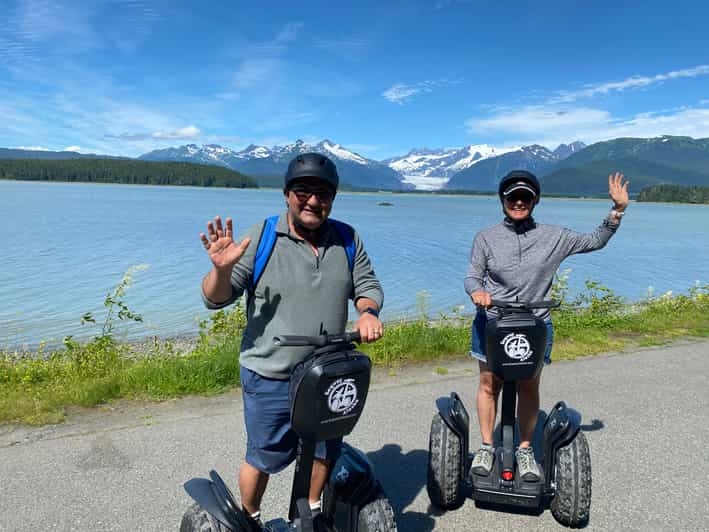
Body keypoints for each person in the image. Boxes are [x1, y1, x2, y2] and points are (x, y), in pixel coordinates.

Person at [199, 152, 384, 526]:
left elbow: (367, 284)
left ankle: (312, 510)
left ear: (332, 198)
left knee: (325, 446)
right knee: (263, 453)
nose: (313, 200)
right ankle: (251, 517)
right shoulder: (262, 236)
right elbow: (215, 298)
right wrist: (221, 270)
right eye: (303, 191)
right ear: (287, 194)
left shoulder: (347, 238)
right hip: (270, 372)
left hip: (328, 371)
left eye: (323, 193)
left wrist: (367, 311)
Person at [464, 169, 629, 480]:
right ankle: (487, 446)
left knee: (529, 386)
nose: (518, 202)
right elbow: (472, 275)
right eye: (512, 196)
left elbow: (595, 240)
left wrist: (617, 211)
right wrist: (477, 291)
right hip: (493, 323)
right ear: (503, 200)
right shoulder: (485, 237)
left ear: (535, 200)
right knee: (489, 385)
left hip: (534, 324)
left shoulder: (554, 236)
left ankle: (525, 449)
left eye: (525, 197)